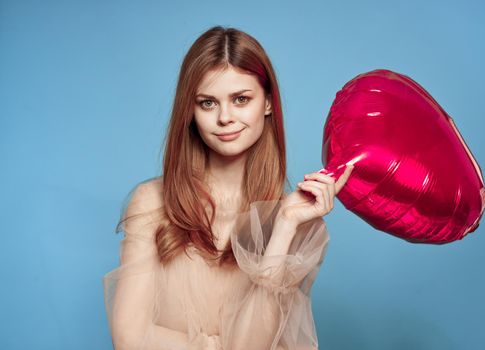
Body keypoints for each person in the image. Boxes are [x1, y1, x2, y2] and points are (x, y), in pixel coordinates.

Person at [103, 25, 353, 350]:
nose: (225, 117)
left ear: (267, 103)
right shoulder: (151, 202)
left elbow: (255, 345)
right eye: (207, 103)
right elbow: (130, 340)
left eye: (240, 99)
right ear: (190, 112)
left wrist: (285, 225)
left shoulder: (296, 222)